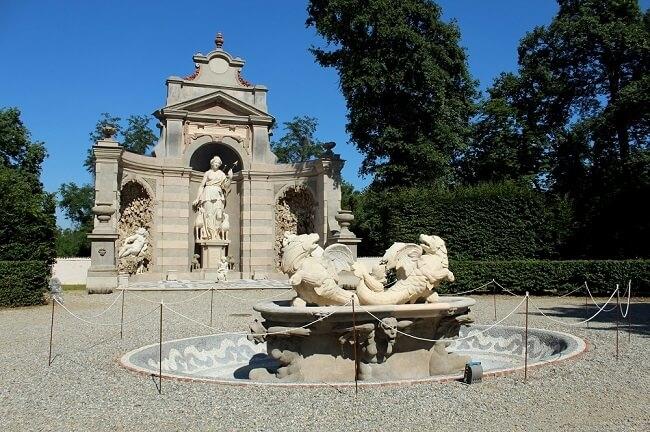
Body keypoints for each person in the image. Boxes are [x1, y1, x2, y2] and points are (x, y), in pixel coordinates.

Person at [192, 156, 237, 240]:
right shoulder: (207, 173)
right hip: (207, 193)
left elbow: (225, 186)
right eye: (215, 162)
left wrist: (230, 178)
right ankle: (209, 236)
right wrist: (197, 198)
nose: (216, 164)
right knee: (208, 215)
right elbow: (201, 186)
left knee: (219, 215)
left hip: (218, 195)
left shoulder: (222, 174)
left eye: (218, 162)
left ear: (220, 164)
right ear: (211, 163)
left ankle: (216, 235)